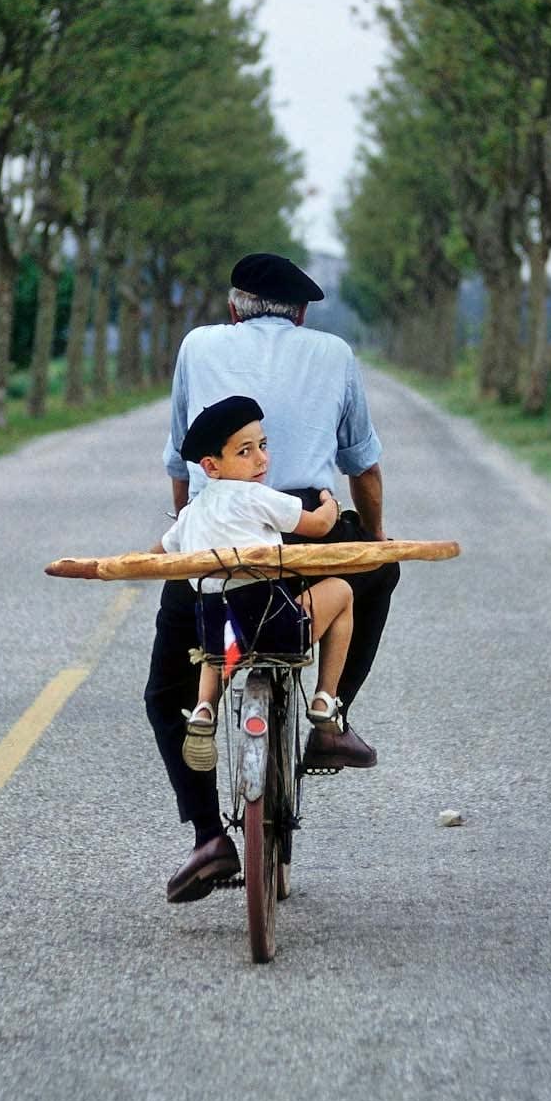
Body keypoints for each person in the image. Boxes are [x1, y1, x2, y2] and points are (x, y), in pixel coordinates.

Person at [146, 251, 400, 905]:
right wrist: (371, 536)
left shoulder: (198, 346)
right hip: (304, 523)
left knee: (167, 687)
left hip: (217, 539)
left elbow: (182, 460)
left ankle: (208, 837)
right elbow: (362, 468)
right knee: (379, 567)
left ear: (234, 309)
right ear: (304, 313)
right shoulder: (335, 353)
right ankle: (329, 714)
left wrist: (190, 525)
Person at [152, 395, 354, 773]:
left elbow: (156, 556)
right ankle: (326, 698)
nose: (261, 458)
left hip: (224, 639)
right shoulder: (257, 497)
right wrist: (330, 502)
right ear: (211, 466)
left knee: (216, 633)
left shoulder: (192, 513)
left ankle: (204, 707)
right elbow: (320, 526)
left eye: (262, 446)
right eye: (245, 451)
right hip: (277, 629)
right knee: (341, 591)